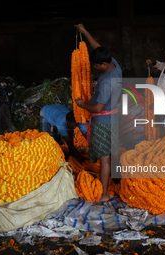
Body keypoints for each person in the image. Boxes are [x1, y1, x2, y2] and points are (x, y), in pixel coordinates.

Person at [74, 23, 122, 202]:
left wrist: (81, 104)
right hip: (114, 118)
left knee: (105, 160)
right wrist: (85, 31)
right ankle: (117, 182)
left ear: (103, 64)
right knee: (113, 154)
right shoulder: (115, 66)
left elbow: (97, 108)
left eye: (95, 65)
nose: (94, 68)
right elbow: (99, 48)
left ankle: (103, 195)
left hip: (103, 123)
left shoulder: (105, 83)